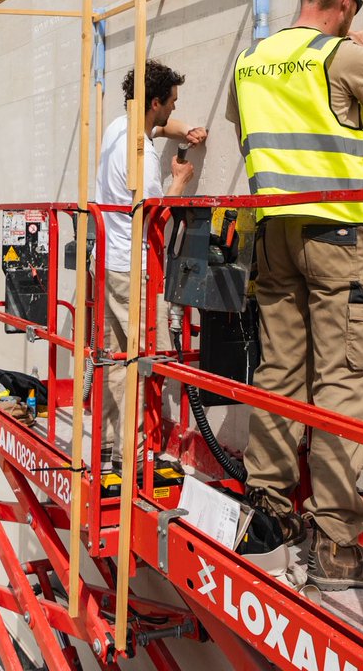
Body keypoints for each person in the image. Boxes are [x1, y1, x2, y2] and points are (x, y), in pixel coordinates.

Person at [226, 0, 363, 590]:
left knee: (280, 371)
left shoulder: (252, 62)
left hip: (274, 236)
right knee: (345, 379)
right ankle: (337, 546)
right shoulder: (339, 53)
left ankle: (272, 514)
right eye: (354, 10)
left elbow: (248, 129)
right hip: (336, 236)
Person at [96, 59, 207, 474]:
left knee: (112, 359)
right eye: (171, 104)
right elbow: (153, 216)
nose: (173, 112)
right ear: (155, 101)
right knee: (140, 363)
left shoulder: (117, 130)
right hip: (133, 268)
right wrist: (178, 180)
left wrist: (186, 131)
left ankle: (108, 451)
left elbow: (158, 129)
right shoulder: (139, 157)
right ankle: (135, 456)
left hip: (107, 261)